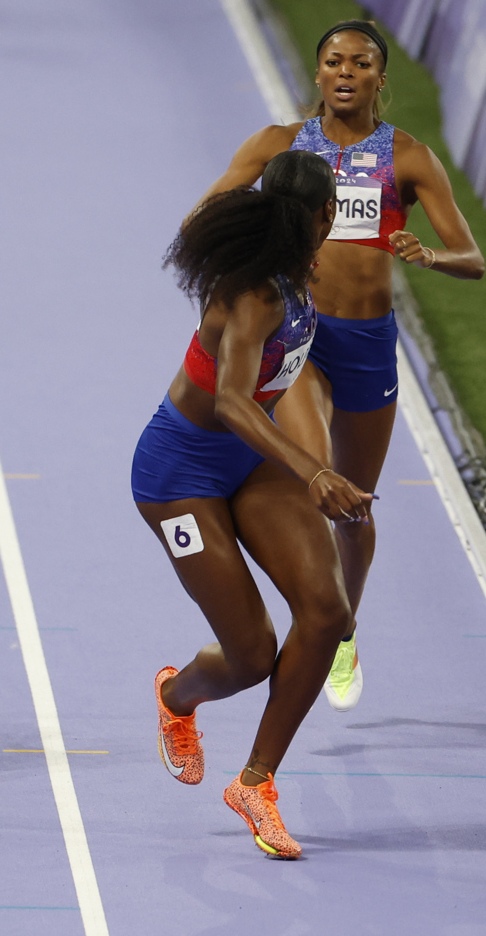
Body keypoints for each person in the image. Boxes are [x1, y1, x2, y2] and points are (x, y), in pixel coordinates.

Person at [198, 20, 482, 710]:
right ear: (318, 73)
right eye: (333, 60)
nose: (345, 71)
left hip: (367, 342)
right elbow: (210, 208)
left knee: (353, 506)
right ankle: (315, 609)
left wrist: (429, 257)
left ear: (381, 78)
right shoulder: (280, 146)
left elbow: (471, 256)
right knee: (311, 468)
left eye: (360, 62)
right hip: (301, 334)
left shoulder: (409, 158)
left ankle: (344, 625)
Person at [136, 150, 373, 861]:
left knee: (328, 611)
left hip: (248, 461)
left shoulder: (298, 274)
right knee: (251, 655)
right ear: (327, 215)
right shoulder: (254, 292)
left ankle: (256, 783)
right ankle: (178, 697)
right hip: (178, 475)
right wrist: (315, 471)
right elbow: (233, 399)